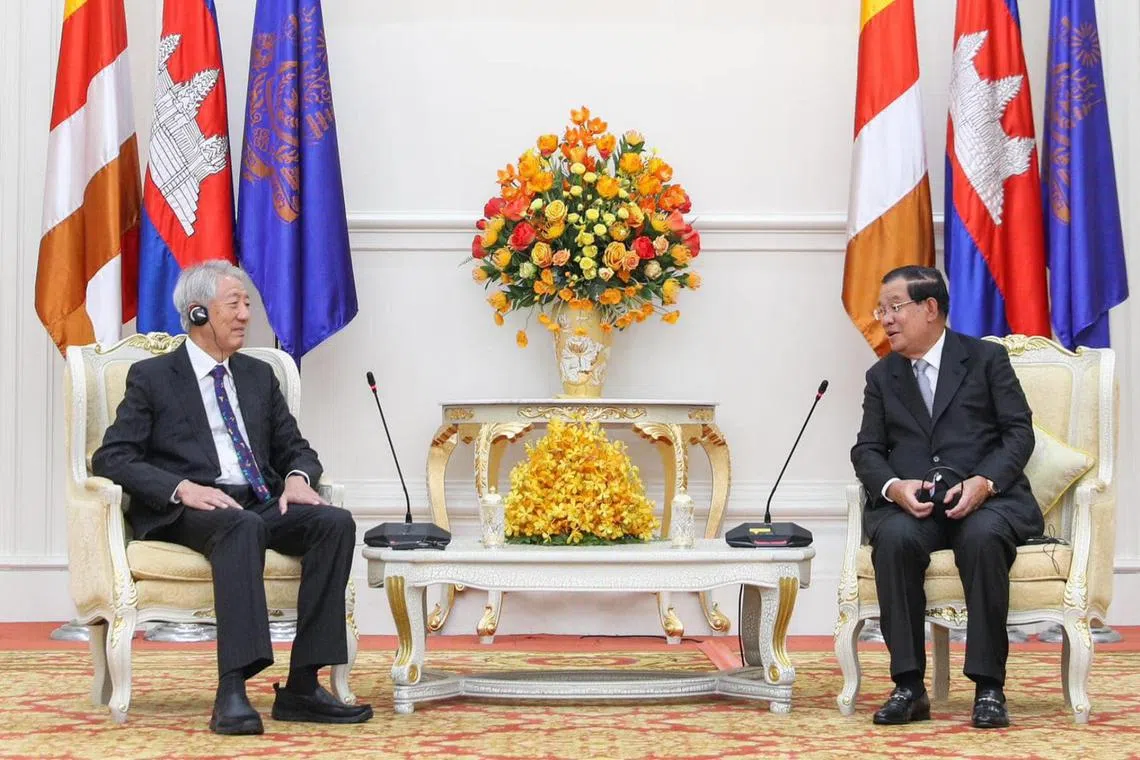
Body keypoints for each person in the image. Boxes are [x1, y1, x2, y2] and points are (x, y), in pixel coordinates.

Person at [92, 261, 372, 735]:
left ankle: (303, 685)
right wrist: (181, 488)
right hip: (188, 507)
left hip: (257, 499)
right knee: (241, 525)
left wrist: (300, 478)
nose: (245, 315)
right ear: (199, 314)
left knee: (334, 522)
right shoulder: (154, 377)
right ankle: (232, 689)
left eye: (247, 304)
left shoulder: (258, 376)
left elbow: (295, 448)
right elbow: (112, 457)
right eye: (234, 305)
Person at [851, 266, 1042, 729]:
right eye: (883, 310)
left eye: (894, 308)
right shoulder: (882, 376)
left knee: (982, 538)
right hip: (915, 506)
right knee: (893, 539)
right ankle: (909, 687)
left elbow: (1019, 433)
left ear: (930, 308)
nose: (886, 320)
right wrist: (895, 488)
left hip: (986, 499)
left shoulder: (985, 360)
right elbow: (867, 450)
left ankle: (988, 688)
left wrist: (985, 482)